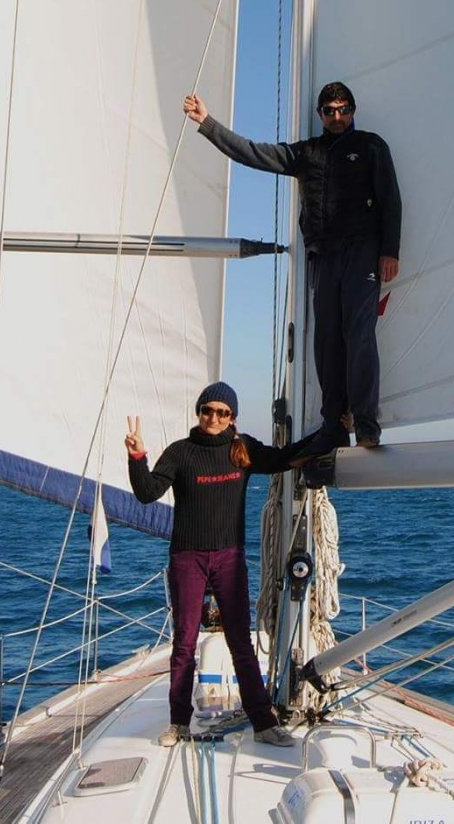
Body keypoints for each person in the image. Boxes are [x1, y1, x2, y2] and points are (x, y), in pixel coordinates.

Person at [184, 81, 400, 451]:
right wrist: (208, 123)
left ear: (353, 111)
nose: (337, 116)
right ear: (320, 114)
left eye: (343, 109)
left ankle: (366, 423)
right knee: (326, 341)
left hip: (362, 251)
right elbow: (252, 153)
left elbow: (390, 199)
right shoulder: (307, 153)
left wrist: (389, 251)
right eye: (329, 110)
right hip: (324, 255)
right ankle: (334, 423)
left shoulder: (371, 146)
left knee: (359, 335)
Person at [125, 380, 303, 747]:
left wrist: (329, 437)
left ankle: (264, 723)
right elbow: (147, 493)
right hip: (187, 558)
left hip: (229, 558)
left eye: (223, 413)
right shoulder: (180, 453)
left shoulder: (242, 450)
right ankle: (178, 724)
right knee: (184, 644)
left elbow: (284, 458)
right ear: (199, 412)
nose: (214, 418)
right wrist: (137, 457)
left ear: (232, 417)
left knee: (241, 643)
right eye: (208, 410)